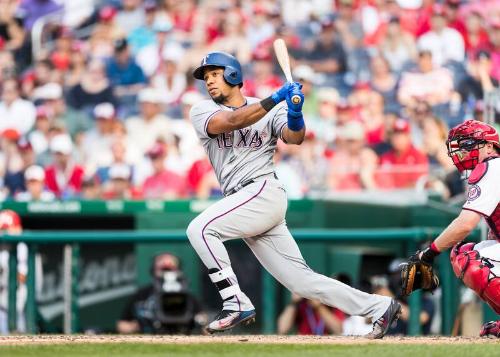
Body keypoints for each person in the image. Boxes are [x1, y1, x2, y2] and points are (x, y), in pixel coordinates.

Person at [186, 51, 401, 338]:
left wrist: (296, 113)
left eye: (215, 74)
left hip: (261, 190)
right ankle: (378, 306)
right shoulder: (201, 110)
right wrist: (276, 99)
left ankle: (234, 301)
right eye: (206, 77)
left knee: (200, 229)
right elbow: (232, 122)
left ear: (233, 75)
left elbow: (294, 137)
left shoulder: (270, 109)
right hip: (244, 201)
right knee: (302, 283)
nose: (209, 82)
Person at [401, 120, 500, 338]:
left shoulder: (492, 167)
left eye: (469, 144)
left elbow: (465, 224)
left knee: (467, 257)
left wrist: (428, 253)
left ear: (490, 147)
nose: (463, 152)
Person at [116, 252, 206, 334]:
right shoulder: (142, 295)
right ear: (153, 270)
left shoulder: (187, 296)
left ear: (178, 271)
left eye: (169, 269)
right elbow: (122, 325)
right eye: (163, 269)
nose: (166, 273)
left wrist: (199, 323)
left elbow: (203, 322)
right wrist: (138, 325)